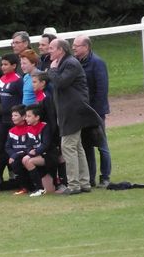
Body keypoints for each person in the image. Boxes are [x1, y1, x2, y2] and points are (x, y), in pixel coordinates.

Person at [46, 38, 102, 195]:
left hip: (72, 112)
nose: (49, 51)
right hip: (70, 111)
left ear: (60, 50)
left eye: (51, 48)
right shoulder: (65, 63)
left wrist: (52, 70)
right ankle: (84, 183)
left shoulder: (70, 63)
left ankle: (74, 185)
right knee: (77, 147)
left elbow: (60, 82)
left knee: (68, 147)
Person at [72, 35, 112, 188]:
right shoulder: (75, 62)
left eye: (77, 45)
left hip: (96, 112)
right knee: (86, 145)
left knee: (102, 145)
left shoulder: (97, 63)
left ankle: (105, 177)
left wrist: (95, 112)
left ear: (86, 47)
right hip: (82, 112)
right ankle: (90, 178)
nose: (73, 48)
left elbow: (102, 89)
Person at [22, 104, 60, 197]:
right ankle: (38, 187)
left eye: (29, 116)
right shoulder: (28, 128)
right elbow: (28, 145)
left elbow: (46, 145)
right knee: (25, 159)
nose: (26, 118)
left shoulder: (45, 126)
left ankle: (39, 188)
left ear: (37, 117)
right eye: (26, 116)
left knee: (28, 161)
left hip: (49, 156)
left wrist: (35, 152)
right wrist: (30, 152)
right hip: (38, 155)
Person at [5, 104, 30, 195]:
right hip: (15, 156)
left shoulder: (29, 129)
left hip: (25, 155)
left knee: (16, 162)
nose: (13, 117)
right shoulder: (11, 131)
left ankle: (26, 187)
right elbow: (7, 147)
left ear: (23, 117)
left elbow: (29, 147)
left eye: (15, 115)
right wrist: (13, 155)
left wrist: (16, 155)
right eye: (12, 115)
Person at [0, 53, 23, 126]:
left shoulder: (18, 80)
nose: (3, 67)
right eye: (2, 64)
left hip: (15, 118)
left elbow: (22, 97)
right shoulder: (1, 79)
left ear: (14, 66)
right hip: (3, 117)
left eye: (6, 64)